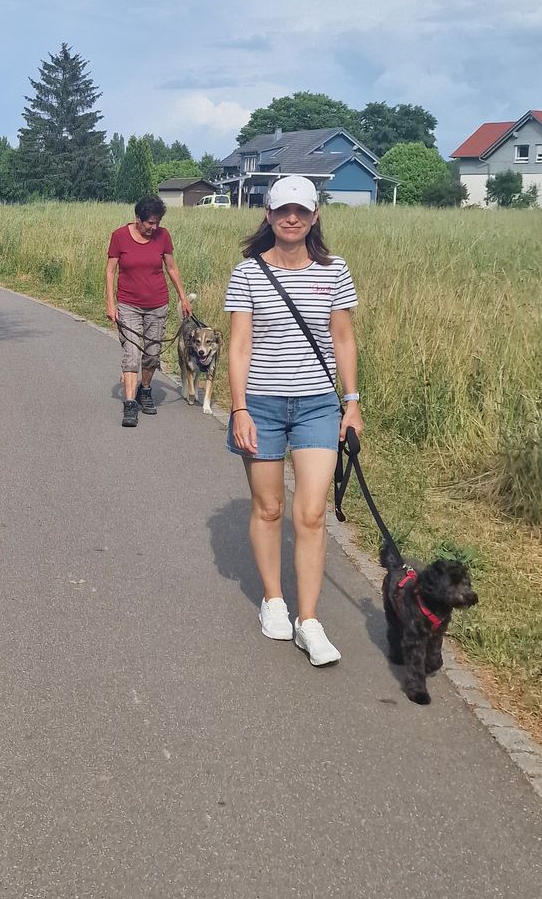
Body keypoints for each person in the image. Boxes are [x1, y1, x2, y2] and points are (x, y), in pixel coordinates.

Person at [224, 175, 362, 667]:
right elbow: (239, 344)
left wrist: (352, 401)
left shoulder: (335, 270)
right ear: (268, 213)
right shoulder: (248, 273)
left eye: (302, 211)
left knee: (310, 512)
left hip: (318, 405)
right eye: (283, 209)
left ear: (315, 215)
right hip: (260, 402)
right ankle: (274, 599)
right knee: (269, 509)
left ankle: (309, 620)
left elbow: (342, 338)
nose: (292, 218)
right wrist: (238, 407)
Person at [105, 197, 191, 425]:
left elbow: (171, 267)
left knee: (152, 354)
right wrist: (110, 304)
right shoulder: (119, 237)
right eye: (150, 223)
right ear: (138, 219)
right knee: (131, 354)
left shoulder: (163, 236)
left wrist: (183, 297)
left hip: (158, 303)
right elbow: (110, 271)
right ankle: (130, 404)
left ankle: (145, 389)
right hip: (128, 304)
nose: (154, 228)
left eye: (157, 222)